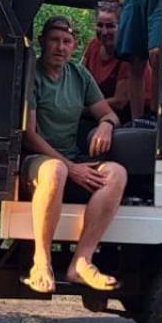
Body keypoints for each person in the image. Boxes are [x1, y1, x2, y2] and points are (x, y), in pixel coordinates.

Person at [22, 16, 128, 295]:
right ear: (43, 42)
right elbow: (30, 136)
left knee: (116, 174)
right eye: (55, 40)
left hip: (71, 159)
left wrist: (105, 126)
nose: (60, 47)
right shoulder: (30, 73)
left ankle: (81, 262)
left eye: (67, 42)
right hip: (37, 161)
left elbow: (108, 113)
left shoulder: (79, 75)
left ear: (74, 46)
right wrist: (72, 168)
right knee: (55, 170)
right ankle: (41, 261)